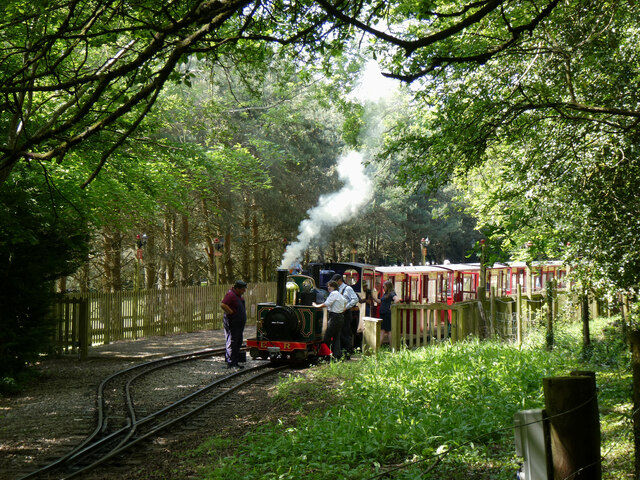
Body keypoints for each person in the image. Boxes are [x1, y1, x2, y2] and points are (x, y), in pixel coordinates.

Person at [312, 280, 346, 359]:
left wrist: (316, 306)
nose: (328, 288)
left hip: (334, 317)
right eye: (328, 286)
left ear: (334, 287)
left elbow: (326, 304)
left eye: (330, 286)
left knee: (327, 336)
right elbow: (345, 303)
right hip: (340, 316)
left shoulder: (333, 294)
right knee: (336, 337)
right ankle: (337, 355)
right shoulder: (339, 294)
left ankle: (326, 355)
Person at [220, 280, 248, 369]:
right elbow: (223, 304)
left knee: (238, 341)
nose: (244, 291)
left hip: (239, 323)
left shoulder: (238, 296)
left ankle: (235, 361)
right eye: (243, 289)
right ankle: (230, 362)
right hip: (233, 322)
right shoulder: (230, 295)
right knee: (232, 341)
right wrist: (231, 312)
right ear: (237, 288)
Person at [332, 273, 359, 356]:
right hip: (338, 313)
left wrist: (346, 307)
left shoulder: (348, 288)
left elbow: (355, 299)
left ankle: (347, 352)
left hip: (345, 314)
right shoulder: (336, 289)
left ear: (339, 281)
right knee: (339, 334)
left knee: (345, 333)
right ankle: (340, 352)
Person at [379, 279, 400, 345]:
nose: (383, 288)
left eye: (384, 287)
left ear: (387, 287)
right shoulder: (385, 294)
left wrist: (391, 306)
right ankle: (380, 347)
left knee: (388, 331)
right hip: (383, 314)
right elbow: (381, 301)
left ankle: (391, 347)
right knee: (383, 331)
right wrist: (373, 298)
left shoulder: (391, 293)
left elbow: (397, 299)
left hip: (387, 314)